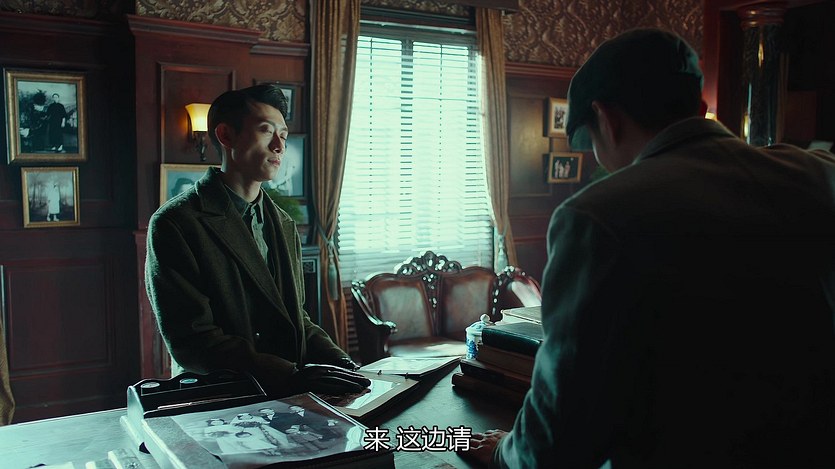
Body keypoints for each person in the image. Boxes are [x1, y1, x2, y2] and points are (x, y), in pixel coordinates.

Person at [461, 28, 835, 468]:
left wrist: (504, 454)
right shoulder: (821, 175)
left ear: (606, 119)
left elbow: (562, 430)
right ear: (699, 107)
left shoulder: (597, 217)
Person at [145, 84, 370, 398]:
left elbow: (298, 320)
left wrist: (341, 363)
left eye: (283, 135)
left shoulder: (283, 223)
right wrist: (292, 375)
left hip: (290, 395)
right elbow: (194, 340)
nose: (279, 146)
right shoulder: (176, 223)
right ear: (226, 136)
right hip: (221, 397)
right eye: (266, 131)